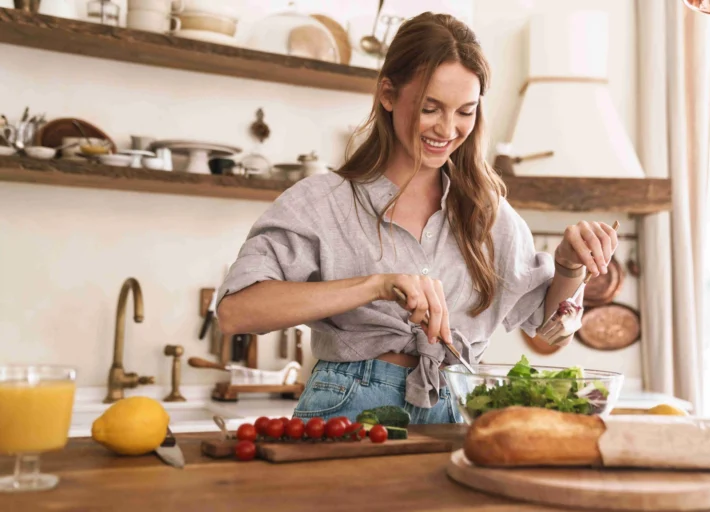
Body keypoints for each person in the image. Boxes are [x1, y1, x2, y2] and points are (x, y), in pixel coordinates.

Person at [216, 12, 618, 424]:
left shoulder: (490, 215)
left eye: (466, 111)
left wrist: (569, 267)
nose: (448, 128)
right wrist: (376, 285)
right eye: (431, 108)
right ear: (387, 95)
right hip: (348, 408)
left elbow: (551, 334)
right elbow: (236, 312)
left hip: (457, 406)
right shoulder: (322, 202)